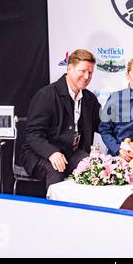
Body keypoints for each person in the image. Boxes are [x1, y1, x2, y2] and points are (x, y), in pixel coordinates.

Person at [21, 49, 101, 190]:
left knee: (94, 167)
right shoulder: (46, 95)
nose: (87, 76)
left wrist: (124, 142)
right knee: (57, 169)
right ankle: (56, 211)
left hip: (71, 153)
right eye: (82, 71)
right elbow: (33, 134)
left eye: (90, 73)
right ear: (69, 68)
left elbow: (103, 125)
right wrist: (51, 152)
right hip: (41, 154)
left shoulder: (90, 99)